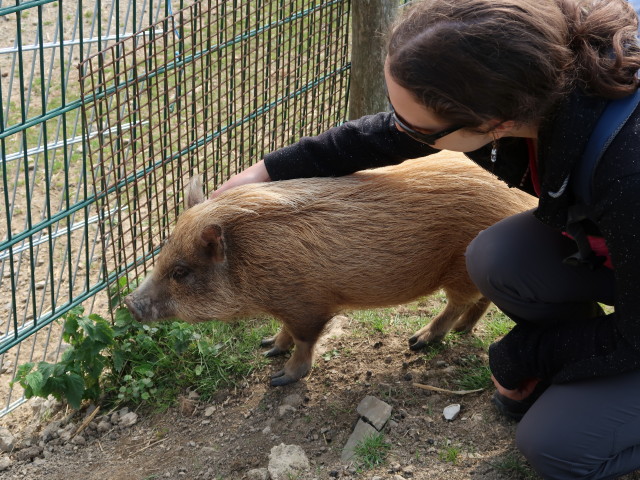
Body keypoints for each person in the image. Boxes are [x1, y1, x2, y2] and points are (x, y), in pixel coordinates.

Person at [212, 1, 640, 478]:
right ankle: (591, 364)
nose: (399, 129)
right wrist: (264, 173)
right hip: (619, 251)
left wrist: (523, 353)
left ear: (495, 124)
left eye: (417, 126)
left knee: (556, 447)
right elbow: (383, 137)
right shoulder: (541, 77)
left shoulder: (628, 170)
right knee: (499, 257)